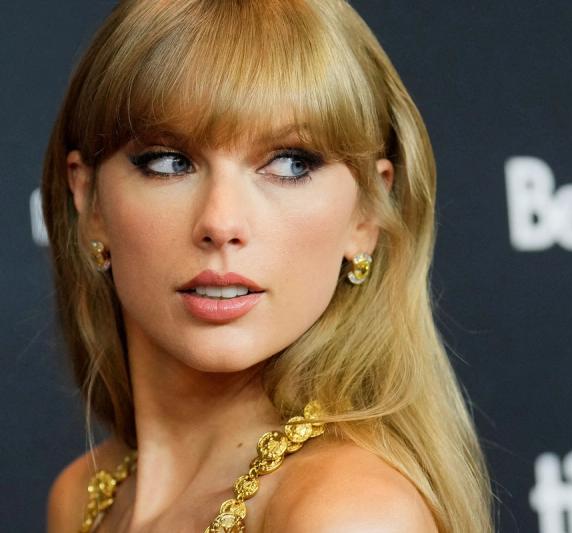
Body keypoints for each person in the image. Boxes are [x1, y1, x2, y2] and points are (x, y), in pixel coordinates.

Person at [43, 1, 493, 531]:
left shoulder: (347, 511)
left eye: (290, 164)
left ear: (367, 213)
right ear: (90, 200)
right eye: (168, 162)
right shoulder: (81, 497)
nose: (221, 222)